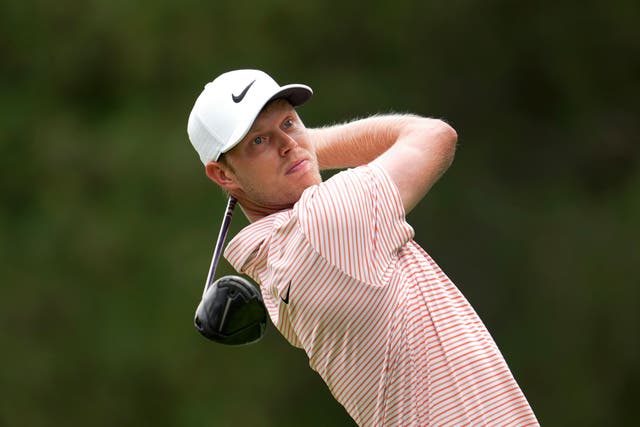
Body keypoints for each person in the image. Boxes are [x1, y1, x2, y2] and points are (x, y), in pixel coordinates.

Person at [187, 69, 539, 426]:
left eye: (289, 123)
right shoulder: (324, 221)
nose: (287, 143)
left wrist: (293, 152)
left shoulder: (275, 262)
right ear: (223, 175)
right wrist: (306, 149)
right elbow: (434, 136)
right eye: (258, 142)